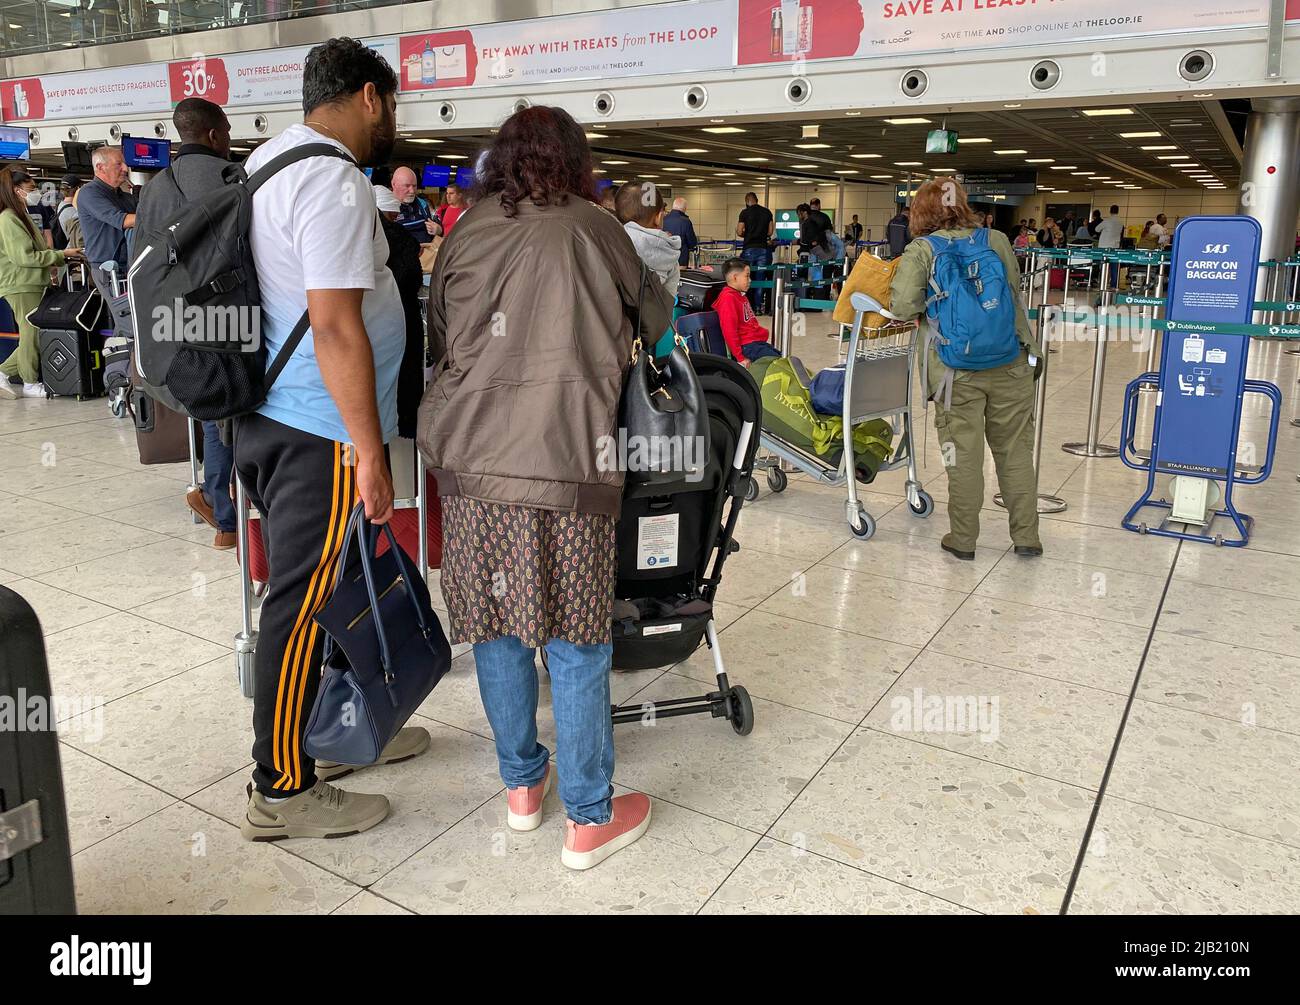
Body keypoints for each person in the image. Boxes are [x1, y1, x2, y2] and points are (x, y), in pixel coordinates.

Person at [417, 105, 671, 871]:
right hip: (572, 462)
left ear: (501, 161)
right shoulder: (599, 230)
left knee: (496, 627)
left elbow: (439, 339)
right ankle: (589, 816)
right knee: (578, 634)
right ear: (575, 160)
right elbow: (658, 323)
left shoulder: (465, 231)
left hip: (474, 465)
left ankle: (523, 786)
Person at [233, 37, 426, 842]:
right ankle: (281, 787)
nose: (393, 119)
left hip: (273, 416)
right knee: (302, 601)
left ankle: (338, 727)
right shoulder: (334, 181)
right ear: (370, 97)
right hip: (319, 429)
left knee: (325, 593)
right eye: (394, 103)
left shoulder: (268, 161)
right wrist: (369, 449)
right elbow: (335, 324)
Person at [889, 178, 1042, 563]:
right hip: (1010, 361)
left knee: (962, 455)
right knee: (1015, 451)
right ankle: (1027, 537)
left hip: (953, 371)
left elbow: (903, 306)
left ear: (921, 212)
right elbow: (1012, 291)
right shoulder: (996, 240)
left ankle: (963, 539)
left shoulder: (921, 249)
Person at [134, 97, 238, 549]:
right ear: (214, 135)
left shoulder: (155, 189)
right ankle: (228, 512)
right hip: (228, 315)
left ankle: (221, 509)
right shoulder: (231, 178)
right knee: (231, 408)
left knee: (211, 411)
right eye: (227, 131)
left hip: (170, 319)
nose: (229, 140)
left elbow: (138, 259)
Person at [0, 167, 80, 399]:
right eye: (31, 188)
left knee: (33, 333)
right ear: (17, 191)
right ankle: (28, 381)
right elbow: (24, 257)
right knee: (31, 332)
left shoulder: (19, 216)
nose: (37, 192)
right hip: (21, 283)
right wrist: (61, 255)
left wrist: (57, 258)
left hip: (30, 282)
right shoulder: (9, 219)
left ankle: (4, 372)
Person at [373, 183, 425, 439]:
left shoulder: (350, 234)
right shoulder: (401, 240)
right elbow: (412, 278)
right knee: (404, 381)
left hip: (371, 328)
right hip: (403, 320)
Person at [76, 145, 137, 337]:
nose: (125, 168)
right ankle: (123, 356)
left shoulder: (124, 196)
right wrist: (157, 215)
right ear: (100, 167)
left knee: (135, 320)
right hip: (109, 269)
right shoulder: (90, 193)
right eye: (119, 164)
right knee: (128, 323)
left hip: (129, 266)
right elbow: (122, 220)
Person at [615, 180, 681, 297]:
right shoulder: (670, 254)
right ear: (658, 217)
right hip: (654, 308)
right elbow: (670, 296)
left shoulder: (613, 243)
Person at [714, 258, 779, 365]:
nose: (750, 280)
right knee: (779, 363)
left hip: (755, 343)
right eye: (747, 276)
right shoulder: (728, 298)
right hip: (747, 346)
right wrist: (740, 358)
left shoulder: (740, 295)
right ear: (735, 277)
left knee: (783, 359)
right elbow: (729, 330)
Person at [736, 191, 774, 311]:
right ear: (756, 200)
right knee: (760, 279)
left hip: (749, 249)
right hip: (763, 249)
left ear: (747, 201)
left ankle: (748, 307)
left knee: (746, 278)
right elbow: (770, 232)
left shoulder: (744, 213)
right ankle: (757, 307)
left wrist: (747, 234)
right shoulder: (767, 212)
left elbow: (739, 231)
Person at [391, 164, 440, 244]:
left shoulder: (423, 205)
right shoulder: (385, 208)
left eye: (414, 186)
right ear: (393, 184)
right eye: (407, 186)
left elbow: (433, 231)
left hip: (426, 250)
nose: (412, 191)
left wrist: (439, 230)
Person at [12, 170, 53, 247]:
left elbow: (47, 234)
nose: (36, 193)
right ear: (17, 191)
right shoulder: (9, 215)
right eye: (31, 190)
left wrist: (51, 252)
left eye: (35, 189)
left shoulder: (40, 207)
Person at [661, 196, 698, 267]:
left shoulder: (663, 219)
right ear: (684, 208)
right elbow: (692, 243)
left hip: (665, 260)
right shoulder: (686, 221)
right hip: (681, 260)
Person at [51, 175, 81, 251]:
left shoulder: (61, 204)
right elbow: (78, 236)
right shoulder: (72, 211)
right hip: (72, 251)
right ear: (78, 189)